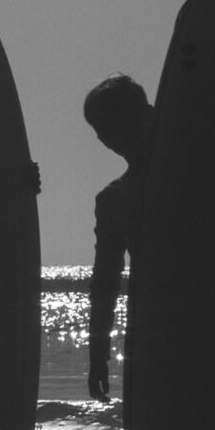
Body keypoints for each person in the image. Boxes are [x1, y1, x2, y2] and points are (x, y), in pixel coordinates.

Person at [81, 75, 155, 405]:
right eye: (103, 130)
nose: (108, 138)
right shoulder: (113, 201)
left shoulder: (204, 167)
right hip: (154, 338)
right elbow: (105, 283)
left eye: (115, 124)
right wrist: (98, 357)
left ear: (148, 112)